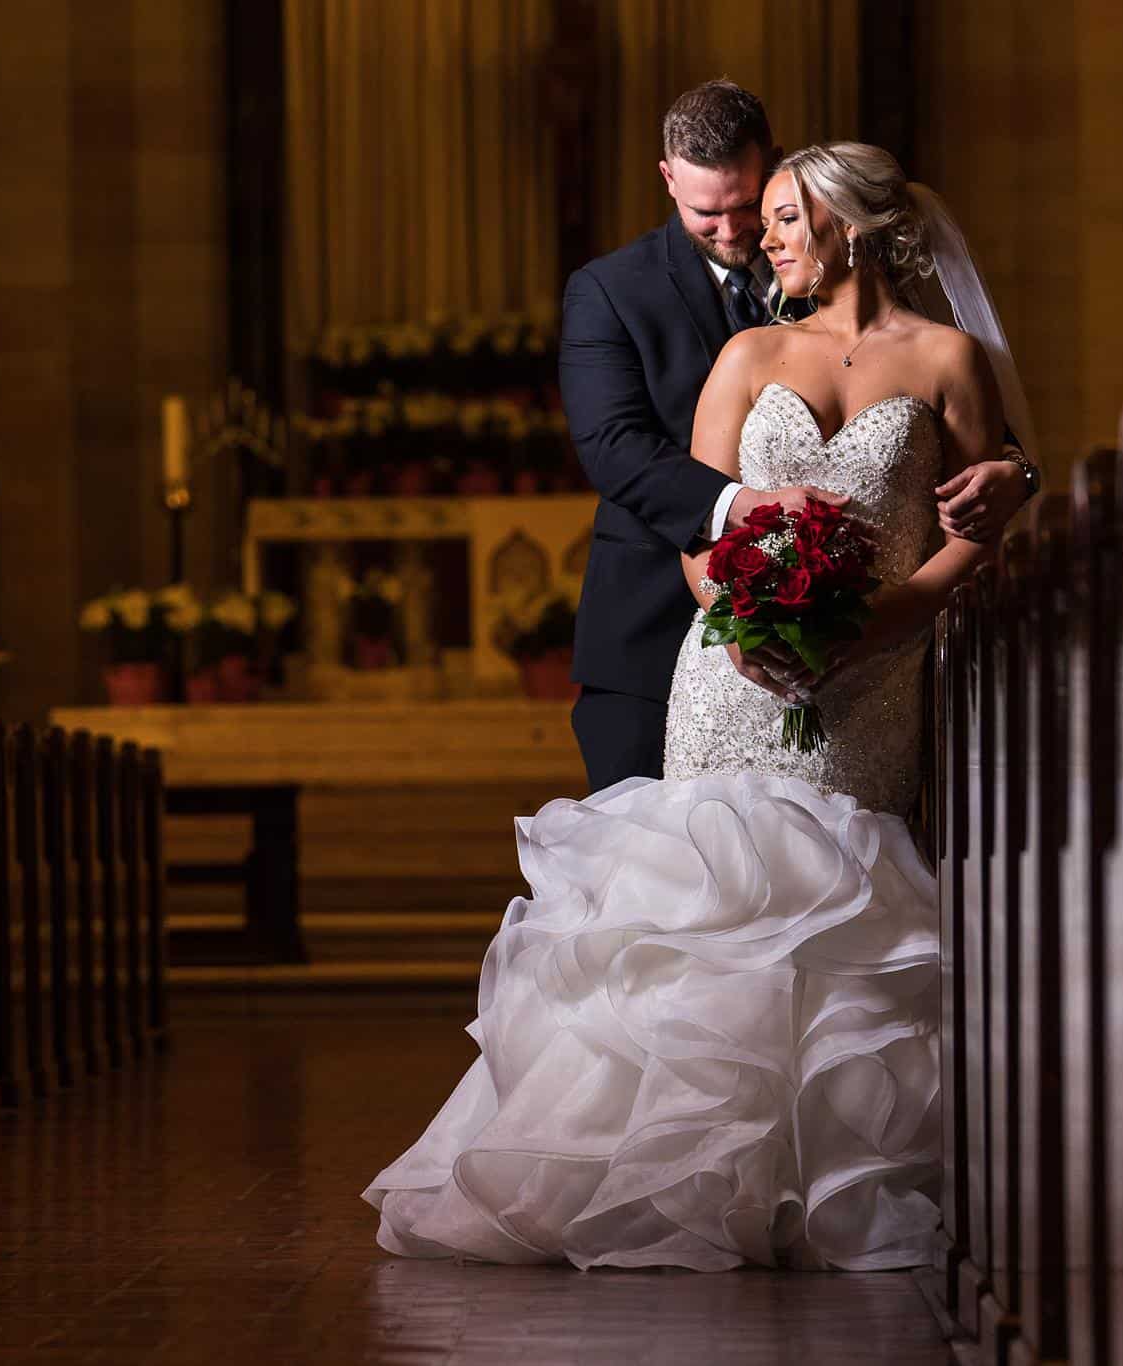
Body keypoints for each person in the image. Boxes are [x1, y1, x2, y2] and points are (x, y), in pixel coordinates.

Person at [364, 140, 1036, 1272]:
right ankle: (687, 1175)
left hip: (873, 676)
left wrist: (888, 616)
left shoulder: (949, 360)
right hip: (731, 674)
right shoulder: (744, 353)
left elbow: (979, 518)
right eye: (762, 216)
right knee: (714, 908)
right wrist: (753, 622)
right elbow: (699, 528)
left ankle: (830, 1175)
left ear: (849, 225)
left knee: (839, 906)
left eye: (784, 217)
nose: (764, 238)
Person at [555, 80, 1036, 794]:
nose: (737, 232)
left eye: (753, 208)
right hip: (665, 633)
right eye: (704, 213)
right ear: (668, 181)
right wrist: (747, 587)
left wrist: (1019, 473)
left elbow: (971, 469)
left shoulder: (936, 350)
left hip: (878, 666)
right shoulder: (614, 293)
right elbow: (614, 448)